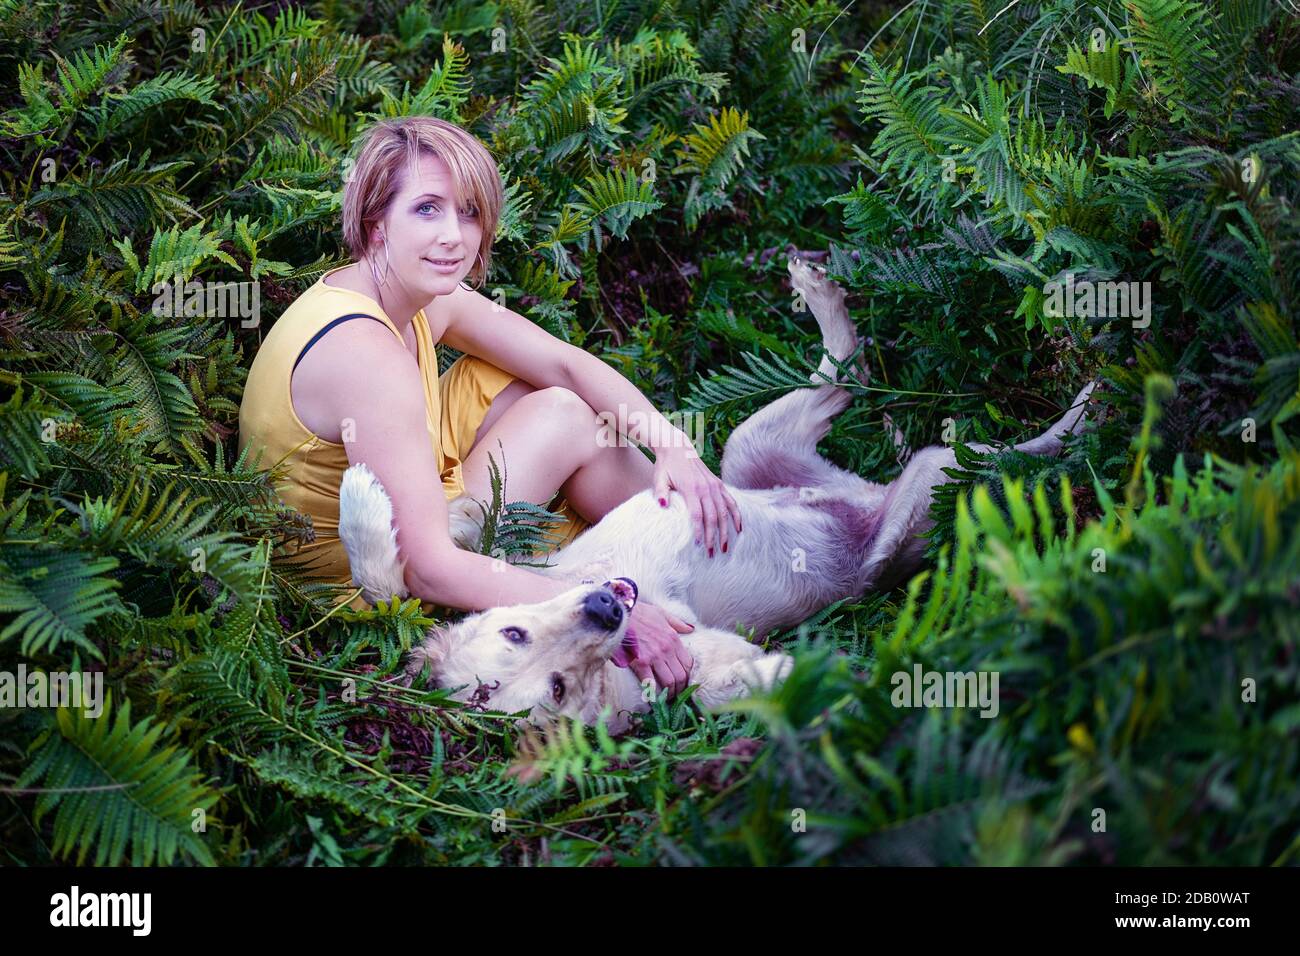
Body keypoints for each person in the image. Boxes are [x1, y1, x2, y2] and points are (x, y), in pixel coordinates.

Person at [238, 116, 742, 698]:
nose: (454, 235)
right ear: (376, 223)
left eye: (470, 211)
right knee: (566, 420)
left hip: (412, 486)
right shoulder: (365, 353)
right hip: (361, 578)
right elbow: (423, 567)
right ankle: (707, 562)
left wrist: (672, 444)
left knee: (550, 398)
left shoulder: (414, 294)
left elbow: (563, 362)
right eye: (427, 209)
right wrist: (615, 604)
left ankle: (693, 528)